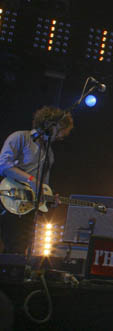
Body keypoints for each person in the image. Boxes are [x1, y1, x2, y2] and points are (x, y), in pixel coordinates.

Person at [0, 106, 73, 255]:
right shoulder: (20, 137)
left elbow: (43, 186)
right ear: (50, 124)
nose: (62, 136)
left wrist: (48, 198)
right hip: (7, 196)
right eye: (61, 130)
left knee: (18, 250)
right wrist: (31, 179)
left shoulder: (49, 154)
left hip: (27, 209)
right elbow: (3, 165)